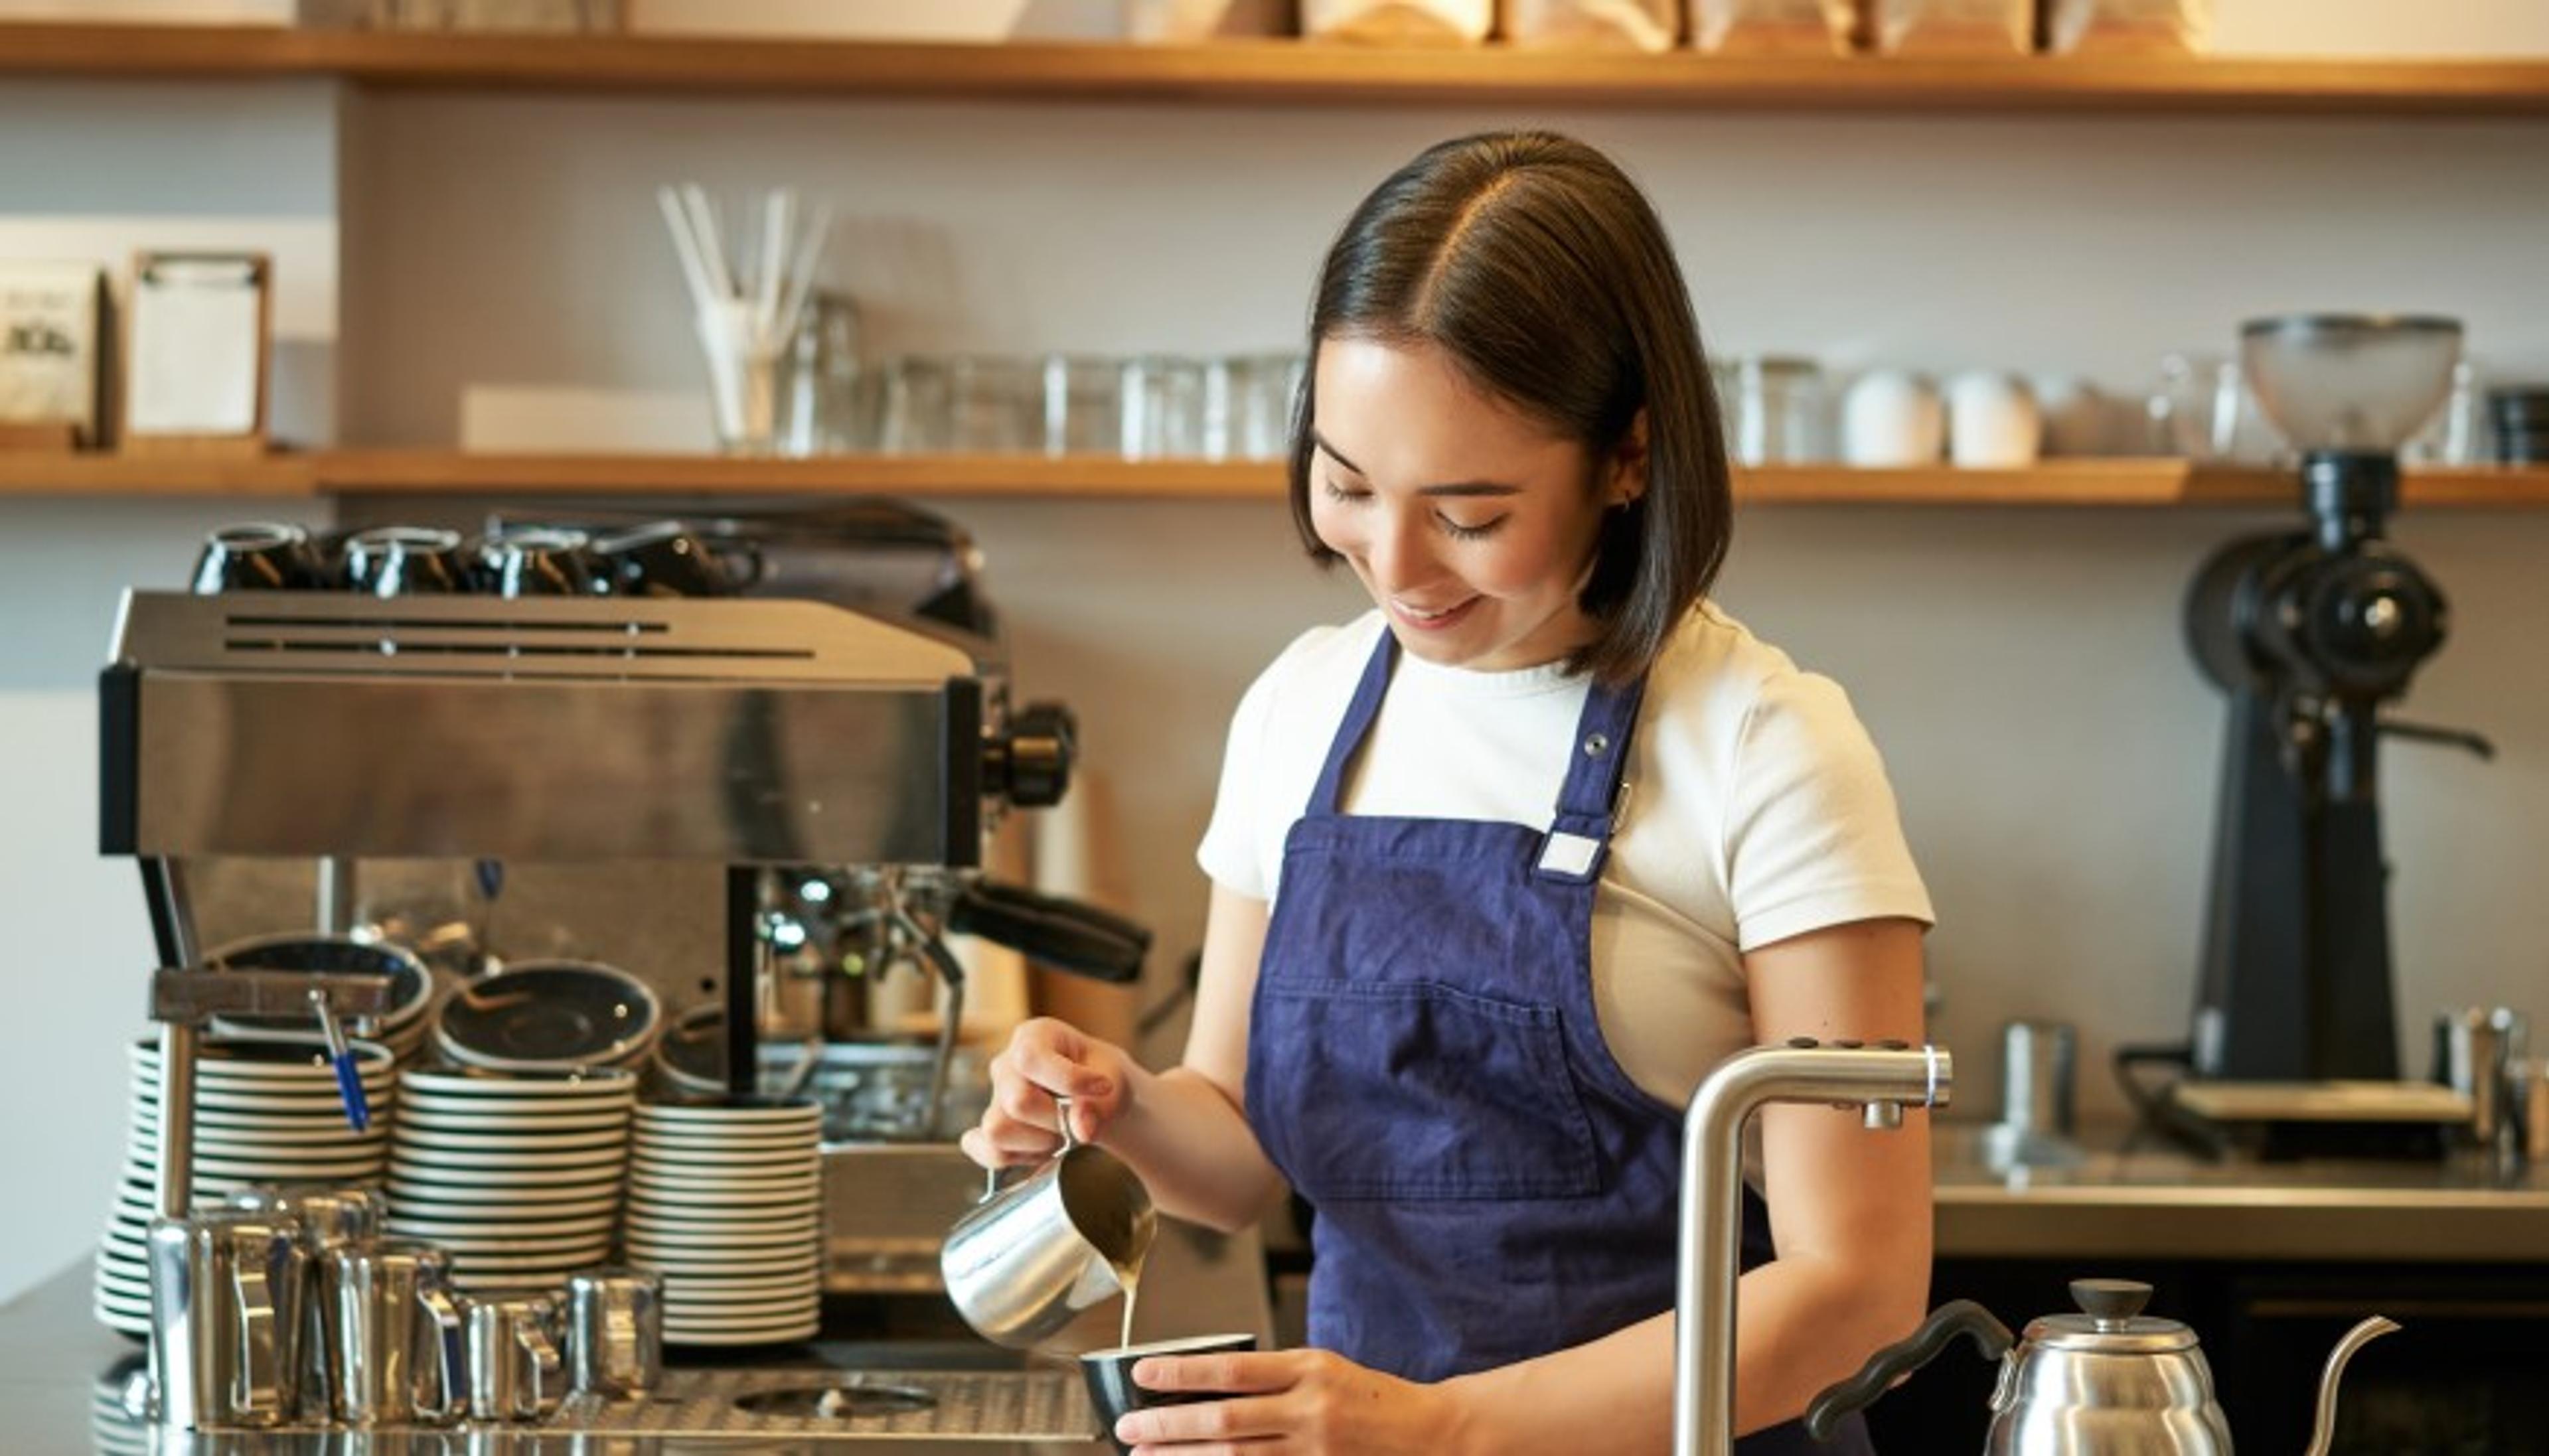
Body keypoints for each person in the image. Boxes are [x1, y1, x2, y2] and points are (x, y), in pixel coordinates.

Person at [961, 130, 1936, 1455]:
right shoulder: (1303, 707)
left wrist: (1440, 1425)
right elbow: (1237, 1148)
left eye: (1470, 515)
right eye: (1347, 484)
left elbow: (1854, 1291)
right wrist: (1117, 1102)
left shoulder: (1769, 746)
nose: (1395, 565)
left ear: (1628, 458)